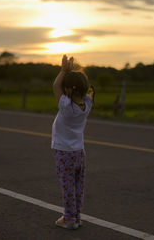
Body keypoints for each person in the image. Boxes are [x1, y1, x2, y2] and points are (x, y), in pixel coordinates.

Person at [52, 54, 95, 230]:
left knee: (68, 186)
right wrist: (71, 74)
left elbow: (55, 86)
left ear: (69, 89)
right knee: (78, 186)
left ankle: (69, 219)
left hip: (64, 153)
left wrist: (63, 71)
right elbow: (81, 90)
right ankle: (76, 216)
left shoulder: (66, 106)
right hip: (79, 152)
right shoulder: (87, 103)